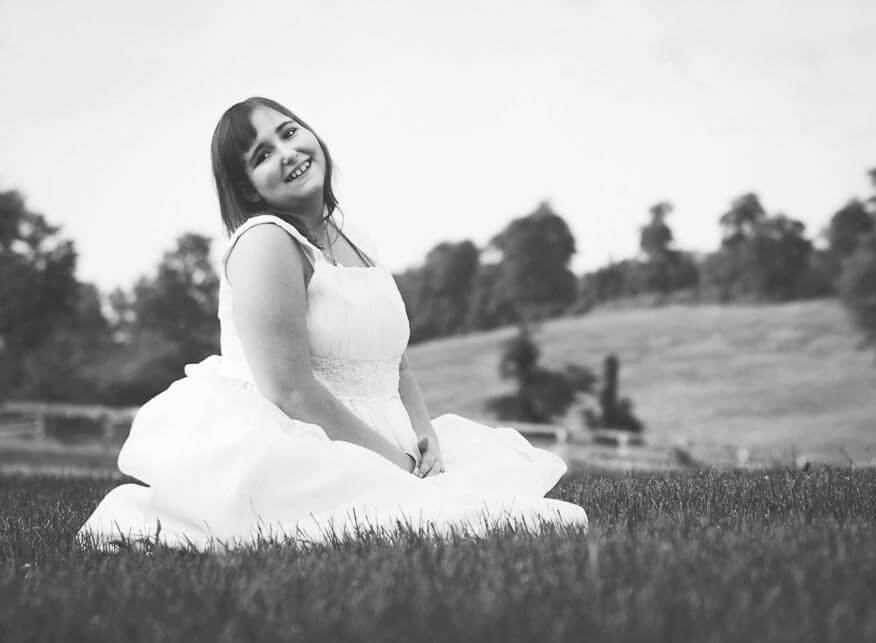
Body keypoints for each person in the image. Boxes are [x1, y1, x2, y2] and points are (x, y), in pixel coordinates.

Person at [78, 97, 588, 550]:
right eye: (262, 155)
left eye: (289, 131)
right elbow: (289, 390)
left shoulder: (353, 239)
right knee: (472, 524)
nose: (287, 152)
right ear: (249, 189)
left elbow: (394, 361)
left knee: (506, 506)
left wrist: (422, 432)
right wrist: (392, 466)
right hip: (302, 437)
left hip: (389, 435)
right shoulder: (265, 242)